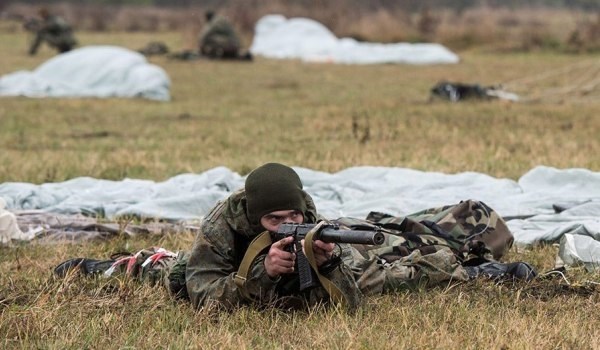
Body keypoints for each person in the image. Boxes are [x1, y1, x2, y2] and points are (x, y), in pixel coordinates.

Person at [54, 163, 536, 311]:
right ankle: (119, 264)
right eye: (274, 221)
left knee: (380, 272)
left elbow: (349, 306)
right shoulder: (221, 225)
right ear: (255, 214)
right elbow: (206, 298)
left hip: (280, 276)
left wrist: (324, 264)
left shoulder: (310, 218)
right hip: (217, 274)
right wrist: (260, 274)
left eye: (293, 217)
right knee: (174, 274)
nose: (286, 225)